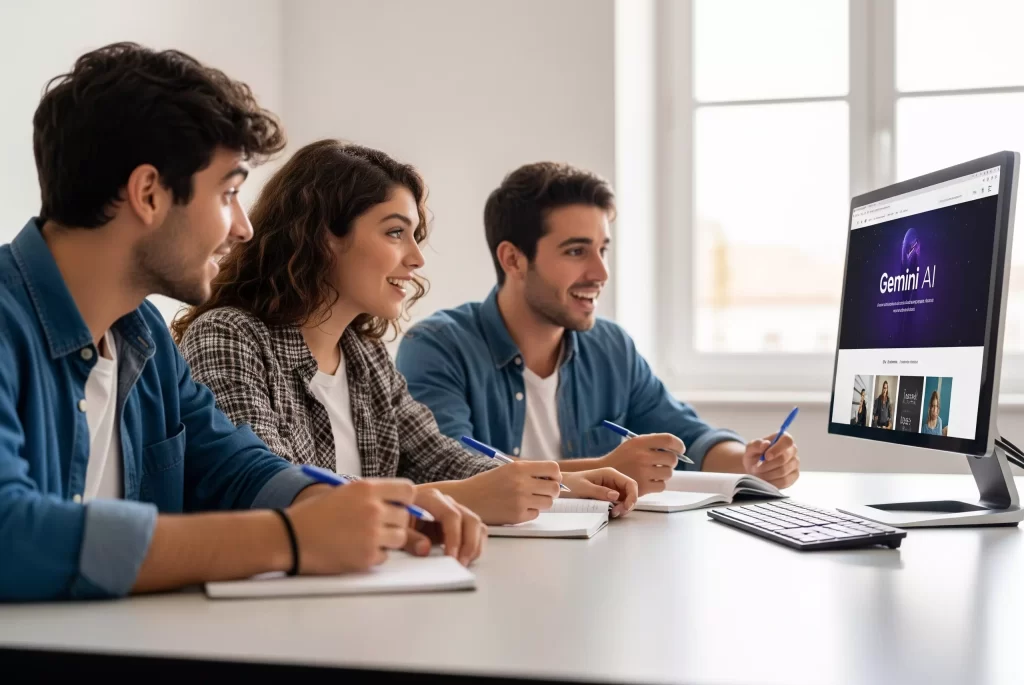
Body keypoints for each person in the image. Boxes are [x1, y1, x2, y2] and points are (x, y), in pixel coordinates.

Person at [0, 44, 482, 603]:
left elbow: (236, 467)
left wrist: (358, 509)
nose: (244, 228)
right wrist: (291, 538)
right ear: (149, 194)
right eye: (228, 193)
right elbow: (11, 534)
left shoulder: (144, 336)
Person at [173, 141, 638, 526]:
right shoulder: (229, 337)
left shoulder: (364, 356)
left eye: (416, 235)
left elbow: (442, 458)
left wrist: (555, 483)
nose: (416, 258)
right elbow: (272, 490)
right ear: (322, 237)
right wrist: (465, 497)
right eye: (396, 233)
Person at [396, 162, 801, 496]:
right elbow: (448, 471)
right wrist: (606, 468)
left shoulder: (611, 347)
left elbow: (688, 438)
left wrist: (749, 462)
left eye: (602, 249)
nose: (600, 272)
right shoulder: (436, 346)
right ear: (513, 260)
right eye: (576, 251)